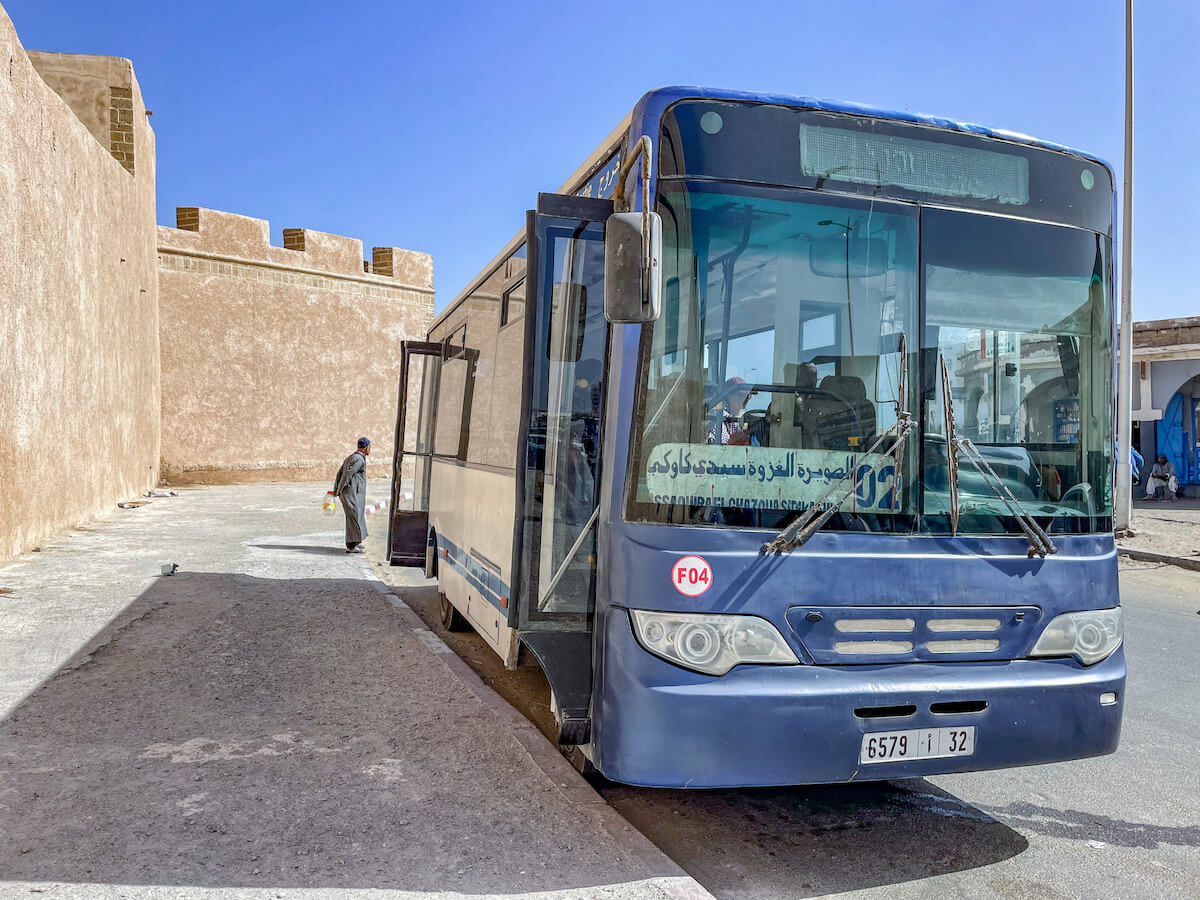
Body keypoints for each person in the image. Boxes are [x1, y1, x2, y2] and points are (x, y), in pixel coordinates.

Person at [334, 437, 371, 552]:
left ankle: (356, 541)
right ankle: (350, 546)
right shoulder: (358, 460)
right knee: (353, 519)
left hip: (352, 494)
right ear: (365, 448)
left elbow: (339, 473)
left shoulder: (350, 457)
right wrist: (339, 489)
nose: (370, 450)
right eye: (369, 447)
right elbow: (347, 474)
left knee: (356, 517)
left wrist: (336, 488)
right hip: (351, 494)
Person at [707, 377, 756, 446]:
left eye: (748, 396)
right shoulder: (718, 421)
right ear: (729, 395)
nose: (746, 398)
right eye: (742, 395)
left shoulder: (734, 422)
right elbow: (723, 450)